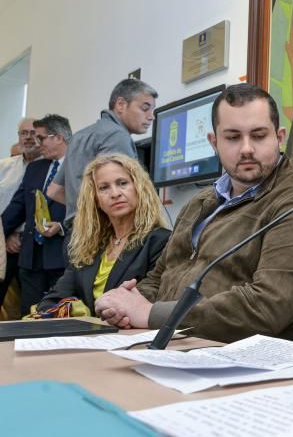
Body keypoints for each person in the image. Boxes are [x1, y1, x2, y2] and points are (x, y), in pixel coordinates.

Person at [95, 84, 293, 343]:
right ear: (214, 142)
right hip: (175, 344)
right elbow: (161, 276)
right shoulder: (198, 203)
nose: (246, 148)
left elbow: (266, 307)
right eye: (233, 137)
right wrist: (126, 303)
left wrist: (149, 314)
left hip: (248, 362)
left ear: (279, 138)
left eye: (258, 135)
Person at [37, 153, 170, 314]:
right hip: (89, 336)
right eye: (104, 187)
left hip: (131, 335)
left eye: (122, 183)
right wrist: (78, 311)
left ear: (139, 188)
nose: (115, 193)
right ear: (95, 199)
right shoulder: (87, 248)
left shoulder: (161, 241)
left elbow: (150, 300)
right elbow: (49, 303)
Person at [47, 78, 158, 226]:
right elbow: (127, 197)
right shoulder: (117, 136)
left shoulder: (79, 137)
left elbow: (54, 191)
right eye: (145, 108)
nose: (151, 116)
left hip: (76, 233)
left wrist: (83, 210)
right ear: (121, 105)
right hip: (104, 231)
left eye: (152, 110)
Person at [2, 115, 71, 314]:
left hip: (62, 259)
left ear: (58, 137)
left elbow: (87, 212)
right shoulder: (35, 168)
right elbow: (17, 208)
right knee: (28, 316)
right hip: (30, 260)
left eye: (41, 138)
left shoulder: (80, 167)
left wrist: (61, 226)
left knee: (57, 318)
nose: (37, 143)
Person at [0, 119, 41, 307]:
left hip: (33, 247)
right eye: (23, 133)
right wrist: (5, 237)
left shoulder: (50, 168)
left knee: (28, 305)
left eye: (33, 133)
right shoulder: (4, 166)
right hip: (3, 243)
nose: (28, 138)